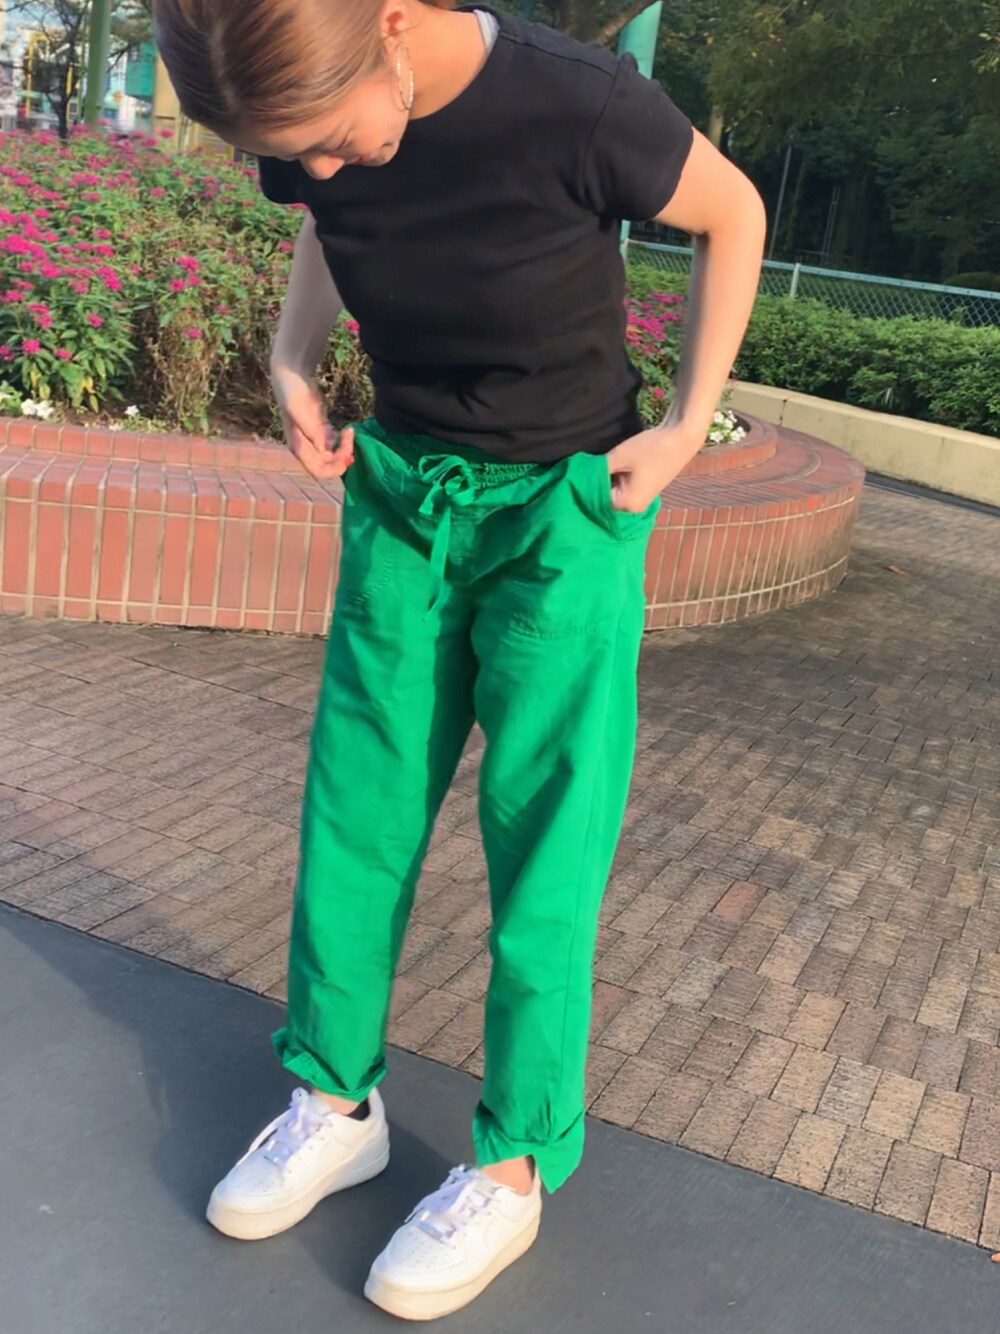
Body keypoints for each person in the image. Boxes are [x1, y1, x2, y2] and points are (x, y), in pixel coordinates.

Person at [153, 0, 765, 1319]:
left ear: (391, 25)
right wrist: (291, 351)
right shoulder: (294, 95)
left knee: (544, 843)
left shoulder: (576, 103)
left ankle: (513, 1163)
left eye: (326, 138)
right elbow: (327, 221)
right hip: (403, 499)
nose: (316, 170)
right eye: (288, 155)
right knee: (355, 813)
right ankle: (335, 1100)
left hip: (564, 514)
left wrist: (686, 423)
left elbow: (734, 212)